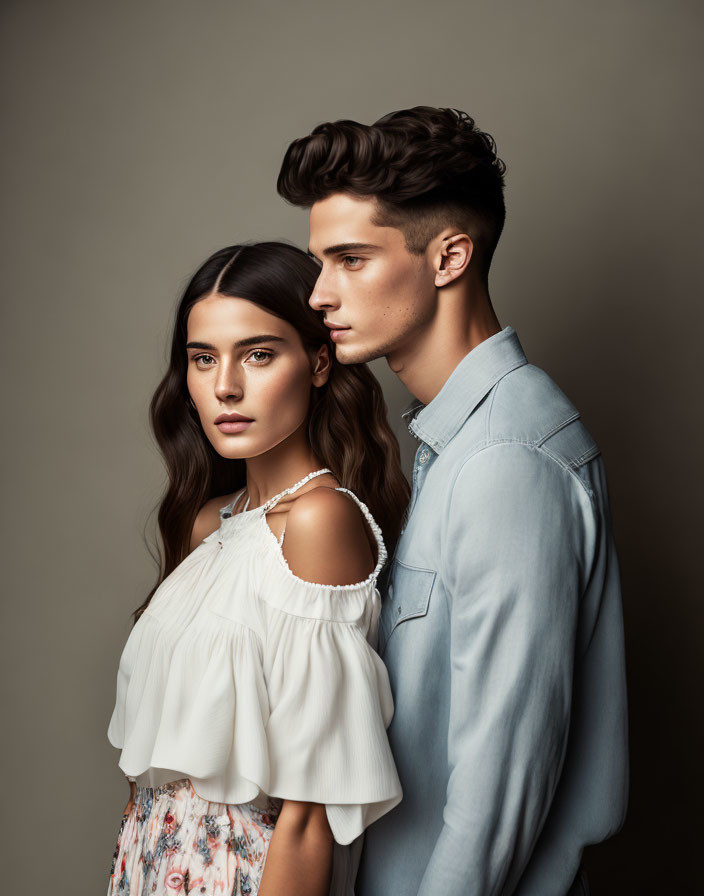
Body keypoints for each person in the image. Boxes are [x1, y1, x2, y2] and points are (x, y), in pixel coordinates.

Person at [277, 106, 629, 896]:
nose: (320, 296)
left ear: (449, 257)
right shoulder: (457, 444)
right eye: (318, 263)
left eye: (351, 260)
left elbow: (498, 794)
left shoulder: (506, 460)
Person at [106, 241, 408, 896]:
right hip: (149, 869)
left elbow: (310, 813)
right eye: (203, 358)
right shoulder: (207, 523)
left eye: (259, 354)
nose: (225, 387)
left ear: (319, 362)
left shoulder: (319, 520)